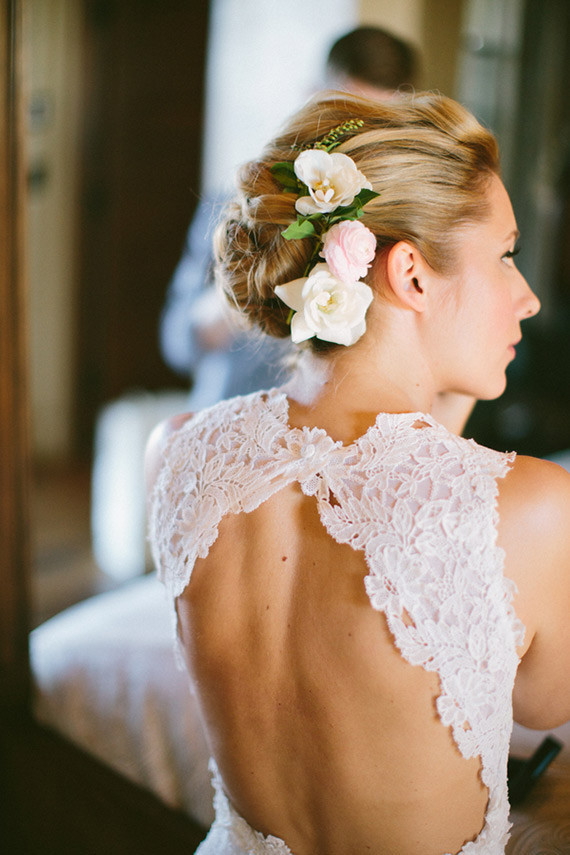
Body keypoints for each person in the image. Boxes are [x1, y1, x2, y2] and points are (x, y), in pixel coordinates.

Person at [146, 91, 570, 854]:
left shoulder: (178, 455)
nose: (528, 297)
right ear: (411, 275)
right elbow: (545, 703)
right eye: (506, 255)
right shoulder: (532, 509)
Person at [159, 26, 418, 408]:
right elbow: (177, 342)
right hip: (234, 414)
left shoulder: (408, 222)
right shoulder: (241, 199)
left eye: (376, 124)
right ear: (311, 99)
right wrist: (243, 289)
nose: (355, 137)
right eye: (345, 115)